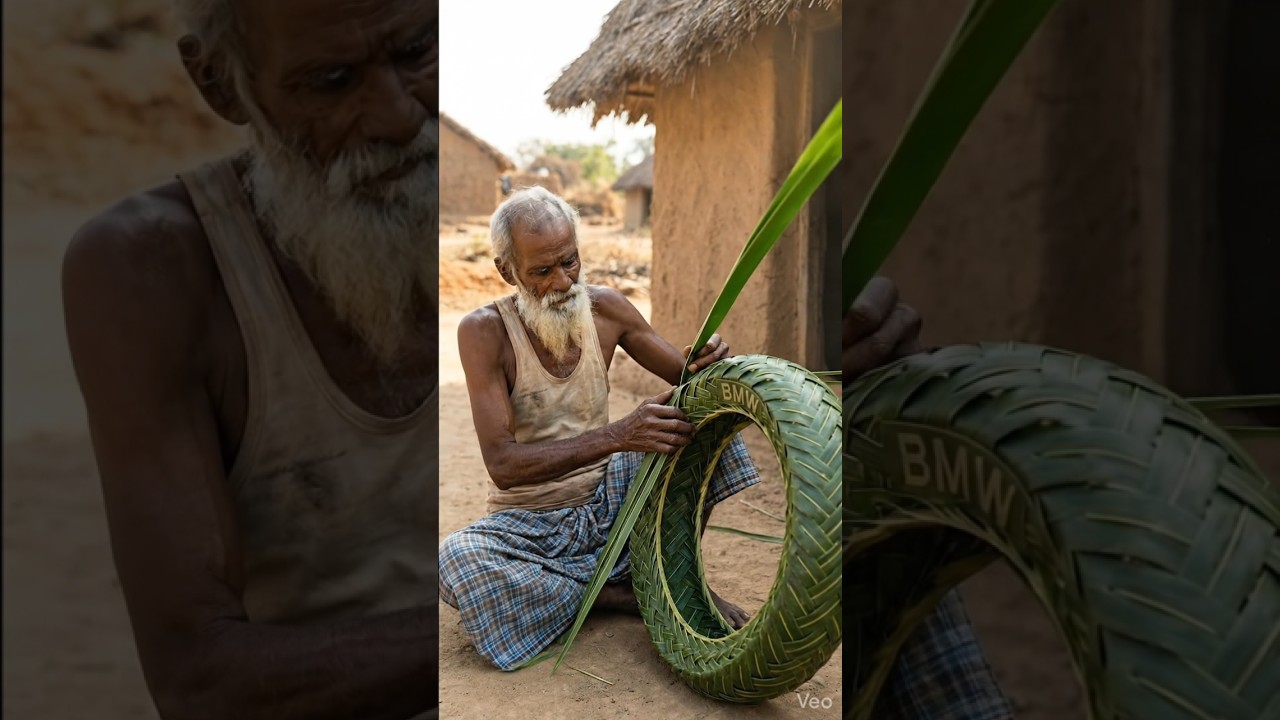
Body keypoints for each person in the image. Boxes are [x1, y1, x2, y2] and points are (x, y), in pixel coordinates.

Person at [438, 186, 1011, 719]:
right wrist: (618, 435)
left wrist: (706, 359)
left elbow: (688, 381)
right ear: (506, 271)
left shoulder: (606, 307)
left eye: (570, 261)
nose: (563, 282)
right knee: (457, 561)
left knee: (707, 427)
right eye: (541, 271)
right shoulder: (484, 332)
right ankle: (622, 591)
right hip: (531, 524)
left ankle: (650, 566)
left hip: (611, 500)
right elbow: (504, 467)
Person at [61, 1, 439, 719]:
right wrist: (509, 617)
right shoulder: (154, 270)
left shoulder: (511, 229)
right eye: (331, 81)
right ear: (220, 86)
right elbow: (199, 682)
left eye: (419, 50)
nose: (395, 115)